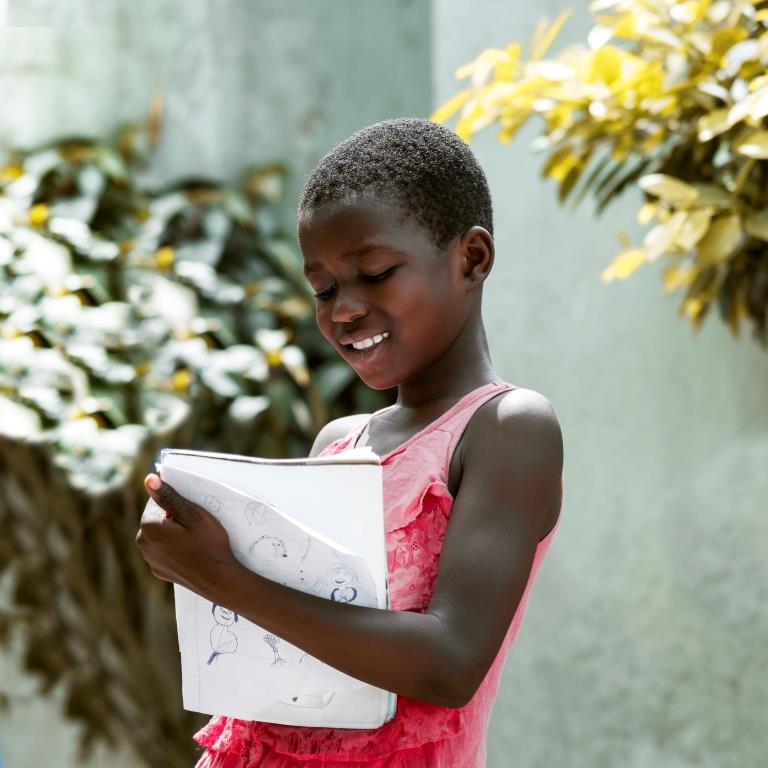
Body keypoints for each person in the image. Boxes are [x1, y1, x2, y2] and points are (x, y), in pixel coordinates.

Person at [136, 117, 564, 767]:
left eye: (376, 272)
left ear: (471, 259)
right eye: (324, 288)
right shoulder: (340, 443)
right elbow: (291, 648)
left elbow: (449, 664)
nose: (343, 310)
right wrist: (193, 552)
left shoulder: (508, 427)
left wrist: (221, 577)